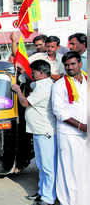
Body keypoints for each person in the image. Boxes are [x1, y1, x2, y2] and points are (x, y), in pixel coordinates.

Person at [12, 60, 57, 205]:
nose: (32, 74)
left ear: (41, 73)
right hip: (38, 130)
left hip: (44, 131)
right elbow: (31, 83)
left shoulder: (44, 87)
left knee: (47, 166)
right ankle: (42, 192)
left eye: (34, 72)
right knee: (41, 165)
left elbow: (25, 103)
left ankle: (48, 198)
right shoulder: (42, 83)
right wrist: (23, 72)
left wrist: (18, 90)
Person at [52, 51, 89, 205]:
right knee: (69, 169)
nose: (69, 67)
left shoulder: (86, 80)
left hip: (85, 134)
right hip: (69, 133)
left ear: (80, 64)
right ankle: (68, 201)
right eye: (66, 65)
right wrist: (81, 126)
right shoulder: (60, 85)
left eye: (73, 64)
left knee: (84, 169)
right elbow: (58, 111)